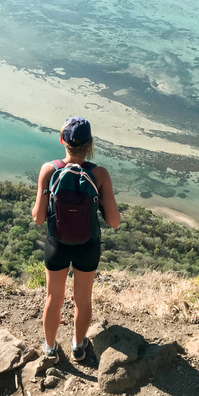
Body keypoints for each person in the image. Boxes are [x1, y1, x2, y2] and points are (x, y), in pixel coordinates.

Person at [31, 116, 121, 362]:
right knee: (82, 299)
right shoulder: (100, 174)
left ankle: (50, 348)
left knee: (53, 297)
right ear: (90, 143)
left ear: (62, 140)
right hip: (88, 246)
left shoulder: (49, 170)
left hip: (56, 244)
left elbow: (39, 218)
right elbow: (114, 221)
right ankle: (78, 347)